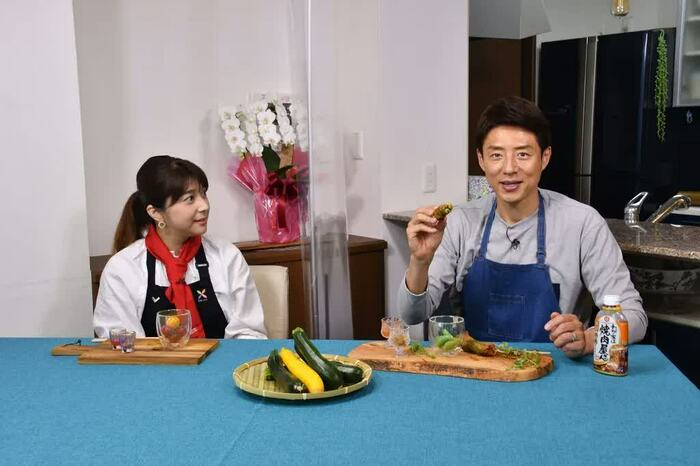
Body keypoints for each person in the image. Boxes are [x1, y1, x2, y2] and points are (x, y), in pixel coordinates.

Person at [397, 96, 646, 358]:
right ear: (481, 160)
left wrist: (588, 339)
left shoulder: (583, 223)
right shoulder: (460, 222)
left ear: (545, 157)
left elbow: (634, 316)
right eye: (496, 155)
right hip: (477, 369)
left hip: (555, 370)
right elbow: (412, 315)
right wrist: (419, 261)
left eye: (523, 154)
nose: (509, 168)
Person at [93, 155, 267, 339]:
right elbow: (122, 344)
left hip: (225, 358)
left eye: (203, 194)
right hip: (148, 360)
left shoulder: (226, 256)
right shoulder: (123, 268)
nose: (204, 206)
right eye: (190, 198)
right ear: (156, 213)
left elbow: (248, 334)